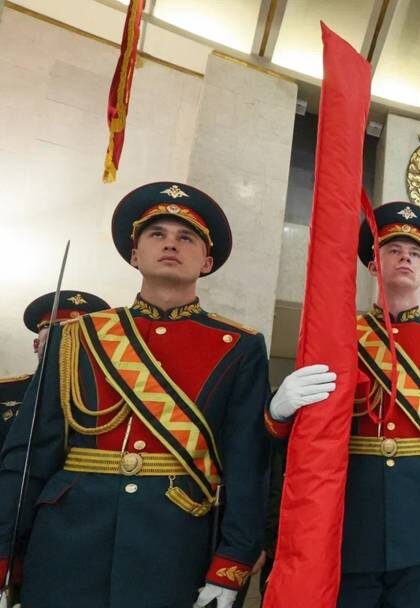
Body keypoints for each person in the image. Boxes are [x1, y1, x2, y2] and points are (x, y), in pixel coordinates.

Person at [0, 182, 272, 608]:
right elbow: (30, 452)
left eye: (186, 238)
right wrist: (4, 549)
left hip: (176, 539)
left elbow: (246, 462)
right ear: (134, 254)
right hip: (68, 536)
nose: (170, 245)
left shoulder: (239, 345)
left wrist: (231, 559)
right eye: (156, 235)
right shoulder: (76, 337)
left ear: (207, 261)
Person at [265, 201, 420, 608]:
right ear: (372, 263)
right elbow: (305, 430)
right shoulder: (337, 331)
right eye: (393, 250)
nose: (405, 258)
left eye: (415, 254)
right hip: (350, 516)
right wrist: (277, 409)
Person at [0, 291, 110, 449]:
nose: (66, 348)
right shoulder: (5, 392)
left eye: (78, 341)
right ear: (36, 345)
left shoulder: (111, 398)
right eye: (56, 341)